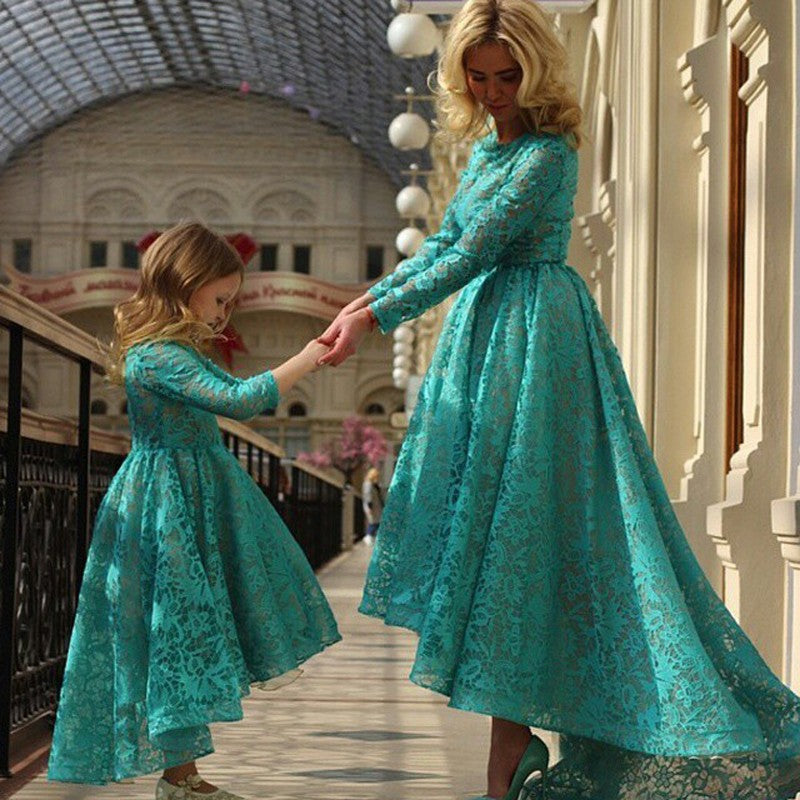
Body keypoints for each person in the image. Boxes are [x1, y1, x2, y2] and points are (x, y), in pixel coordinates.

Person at [316, 1, 800, 798]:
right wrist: (357, 306)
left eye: (508, 75)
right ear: (461, 77)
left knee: (526, 534)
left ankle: (508, 764)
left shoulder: (548, 156)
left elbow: (473, 250)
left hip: (540, 350)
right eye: (479, 76)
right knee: (503, 549)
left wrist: (371, 316)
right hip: (487, 349)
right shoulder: (479, 153)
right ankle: (504, 759)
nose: (496, 89)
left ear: (535, 70)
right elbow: (439, 245)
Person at [47, 222, 341, 798]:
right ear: (187, 280)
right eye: (220, 298)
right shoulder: (157, 356)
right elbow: (240, 400)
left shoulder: (176, 350)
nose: (224, 314)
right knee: (175, 630)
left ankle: (182, 778)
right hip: (168, 508)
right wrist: (308, 357)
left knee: (187, 630)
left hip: (191, 498)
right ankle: (179, 780)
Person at [361, 466, 384, 543]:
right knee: (373, 522)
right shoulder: (368, 484)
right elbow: (368, 496)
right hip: (372, 507)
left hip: (376, 507)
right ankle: (368, 536)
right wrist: (370, 507)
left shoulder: (374, 484)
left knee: (377, 522)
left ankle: (371, 537)